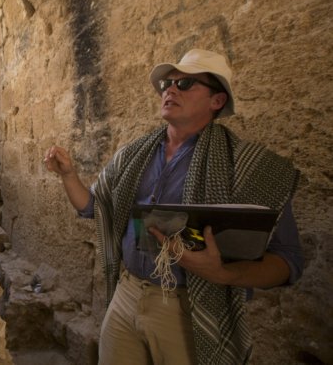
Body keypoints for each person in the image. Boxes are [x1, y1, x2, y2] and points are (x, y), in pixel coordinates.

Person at [43, 49, 304, 365]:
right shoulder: (132, 156)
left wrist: (222, 274)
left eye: (186, 84)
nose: (170, 89)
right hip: (127, 296)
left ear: (217, 101)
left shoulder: (249, 169)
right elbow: (95, 208)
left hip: (189, 308)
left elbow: (288, 260)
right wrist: (69, 176)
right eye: (168, 83)